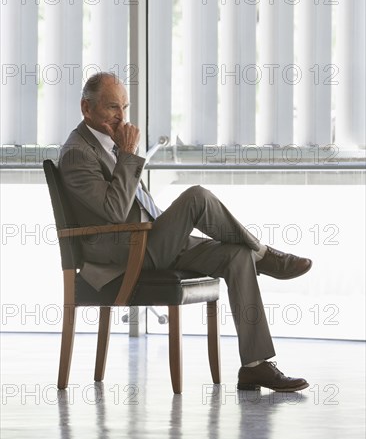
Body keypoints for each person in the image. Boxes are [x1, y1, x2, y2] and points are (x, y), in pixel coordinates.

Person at [59, 72, 312, 393]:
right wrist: (128, 157)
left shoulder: (109, 144)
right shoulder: (77, 152)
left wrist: (168, 227)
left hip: (148, 241)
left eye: (125, 106)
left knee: (237, 254)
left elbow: (133, 206)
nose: (122, 117)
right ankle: (265, 255)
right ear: (86, 108)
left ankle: (255, 366)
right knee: (197, 196)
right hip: (123, 255)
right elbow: (114, 212)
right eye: (112, 107)